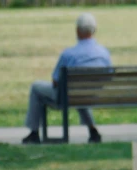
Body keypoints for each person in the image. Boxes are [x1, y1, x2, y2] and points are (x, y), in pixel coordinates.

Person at [22, 13, 111, 145]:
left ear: (77, 30)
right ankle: (93, 131)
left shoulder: (69, 54)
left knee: (37, 88)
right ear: (95, 30)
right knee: (79, 93)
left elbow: (55, 80)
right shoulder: (103, 53)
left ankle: (34, 132)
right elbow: (109, 76)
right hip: (93, 94)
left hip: (70, 95)